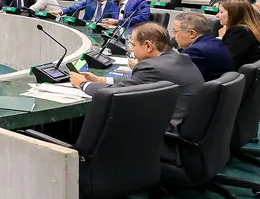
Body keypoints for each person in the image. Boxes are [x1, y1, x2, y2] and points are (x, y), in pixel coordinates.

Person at [69, 22, 203, 132]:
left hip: (168, 133)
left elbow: (114, 93)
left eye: (133, 45)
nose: (130, 49)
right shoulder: (178, 57)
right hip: (188, 127)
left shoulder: (151, 67)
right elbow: (137, 82)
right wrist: (101, 80)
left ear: (148, 46)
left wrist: (83, 84)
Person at [171, 11, 235, 81]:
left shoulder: (195, 52)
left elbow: (177, 79)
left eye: (175, 31)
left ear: (192, 34)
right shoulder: (216, 42)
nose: (174, 36)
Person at [216, 0, 260, 68]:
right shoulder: (252, 29)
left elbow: (225, 62)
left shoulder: (240, 32)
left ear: (234, 14)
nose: (217, 15)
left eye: (221, 12)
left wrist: (221, 39)